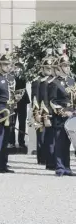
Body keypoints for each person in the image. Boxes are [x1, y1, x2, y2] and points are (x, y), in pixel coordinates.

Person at [47, 45, 75, 176]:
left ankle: (67, 167)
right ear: (58, 67)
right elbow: (52, 101)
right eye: (65, 65)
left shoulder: (71, 80)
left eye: (68, 65)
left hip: (72, 115)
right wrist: (63, 111)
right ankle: (59, 167)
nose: (67, 67)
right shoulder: (54, 82)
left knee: (67, 143)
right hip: (60, 116)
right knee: (59, 142)